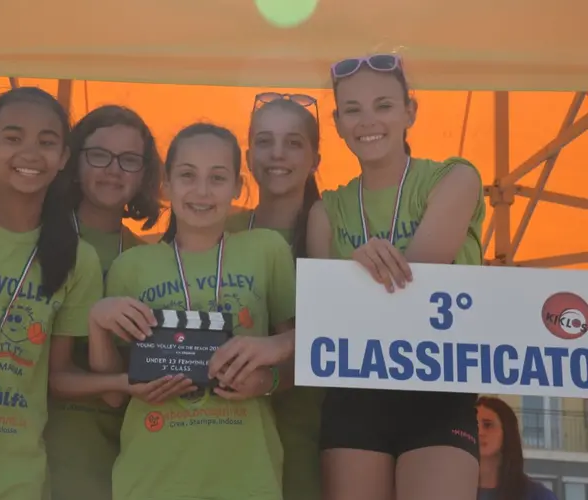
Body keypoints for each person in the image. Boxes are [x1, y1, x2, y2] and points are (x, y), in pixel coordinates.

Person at [306, 54, 486, 500]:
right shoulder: (325, 211)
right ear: (338, 121)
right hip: (356, 393)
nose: (368, 121)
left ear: (410, 110)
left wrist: (355, 274)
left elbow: (417, 279)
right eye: (352, 110)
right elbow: (325, 316)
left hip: (438, 384)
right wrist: (355, 268)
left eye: (383, 105)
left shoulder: (455, 177)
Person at [87, 122, 297, 500]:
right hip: (151, 479)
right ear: (165, 185)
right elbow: (115, 394)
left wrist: (267, 382)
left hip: (247, 478)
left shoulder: (267, 250)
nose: (202, 191)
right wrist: (98, 323)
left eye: (217, 178)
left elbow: (303, 357)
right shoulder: (131, 265)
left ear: (237, 186)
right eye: (187, 176)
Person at [0, 87, 104, 500]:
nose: (30, 154)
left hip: (13, 477)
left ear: (64, 158)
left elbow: (59, 375)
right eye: (13, 138)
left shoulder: (77, 258)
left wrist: (131, 382)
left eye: (47, 142)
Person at [44, 105, 162, 500]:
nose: (113, 170)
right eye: (99, 155)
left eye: (129, 160)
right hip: (44, 447)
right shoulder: (37, 240)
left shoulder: (152, 258)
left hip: (122, 452)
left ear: (145, 174)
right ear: (74, 162)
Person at [227, 92, 323, 500]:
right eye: (265, 141)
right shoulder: (215, 227)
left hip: (312, 432)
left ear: (315, 158)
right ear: (248, 156)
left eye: (293, 142)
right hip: (224, 432)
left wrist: (270, 379)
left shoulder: (334, 231)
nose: (277, 153)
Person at [477, 397, 558, 500]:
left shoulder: (538, 495)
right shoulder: (453, 490)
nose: (479, 432)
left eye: (488, 425)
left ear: (507, 431)